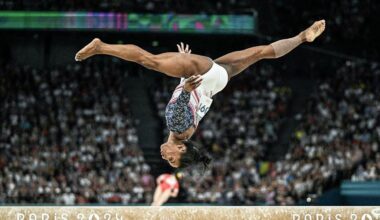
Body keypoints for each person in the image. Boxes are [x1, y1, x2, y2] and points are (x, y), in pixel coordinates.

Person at [75, 20, 326, 169]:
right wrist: (185, 81)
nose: (166, 158)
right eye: (172, 161)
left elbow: (188, 104)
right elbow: (180, 106)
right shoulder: (177, 128)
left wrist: (184, 70)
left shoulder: (187, 132)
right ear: (182, 151)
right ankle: (101, 47)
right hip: (202, 76)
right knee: (148, 60)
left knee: (260, 53)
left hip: (216, 82)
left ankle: (302, 37)